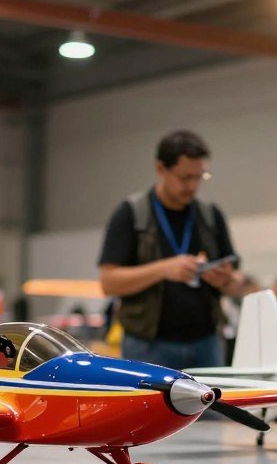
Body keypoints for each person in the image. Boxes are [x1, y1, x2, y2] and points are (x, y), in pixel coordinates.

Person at [98, 129, 244, 370]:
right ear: (161, 169)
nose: (193, 186)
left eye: (200, 177)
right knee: (150, 409)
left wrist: (226, 279)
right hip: (147, 346)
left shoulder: (210, 215)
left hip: (207, 343)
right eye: (185, 177)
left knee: (212, 409)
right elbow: (108, 282)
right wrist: (163, 269)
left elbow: (237, 281)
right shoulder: (131, 214)